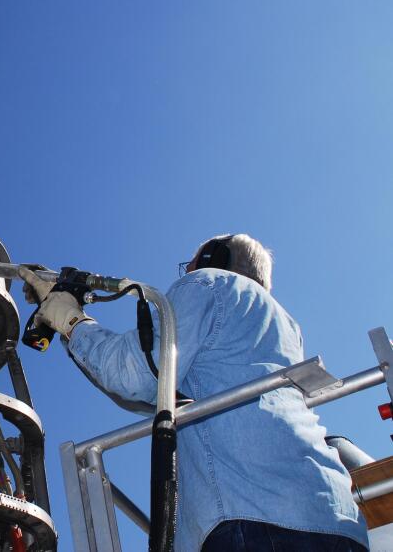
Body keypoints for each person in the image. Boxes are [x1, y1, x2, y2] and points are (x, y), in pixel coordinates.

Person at [20, 234, 368, 552]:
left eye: (190, 263)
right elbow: (156, 393)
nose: (185, 270)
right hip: (332, 519)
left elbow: (135, 373)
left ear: (213, 258)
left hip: (251, 517)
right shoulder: (280, 324)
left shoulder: (209, 283)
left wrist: (71, 320)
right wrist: (71, 330)